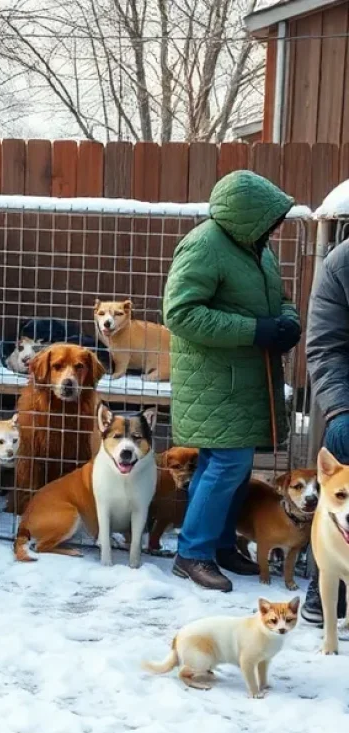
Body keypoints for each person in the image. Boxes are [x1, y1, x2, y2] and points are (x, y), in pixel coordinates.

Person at [163, 170, 300, 592]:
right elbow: (180, 313)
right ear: (247, 215)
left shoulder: (256, 247)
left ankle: (220, 546)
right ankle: (193, 553)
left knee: (230, 469)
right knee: (226, 464)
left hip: (244, 380)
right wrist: (254, 330)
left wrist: (287, 323)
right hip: (216, 381)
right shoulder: (205, 245)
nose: (277, 225)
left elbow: (281, 300)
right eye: (271, 217)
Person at [304, 237, 349, 624]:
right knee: (341, 439)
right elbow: (326, 347)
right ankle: (326, 588)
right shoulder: (342, 263)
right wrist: (340, 408)